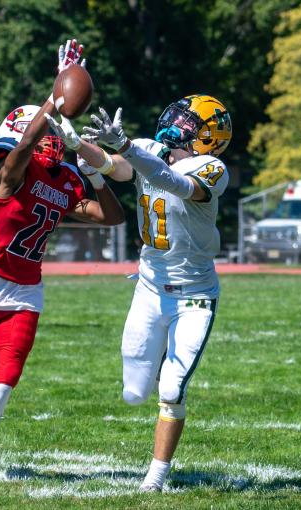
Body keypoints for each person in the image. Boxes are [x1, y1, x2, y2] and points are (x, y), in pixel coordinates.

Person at [0, 39, 125, 482]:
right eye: (48, 134)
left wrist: (95, 173)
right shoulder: (9, 171)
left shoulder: (64, 180)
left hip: (25, 292)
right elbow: (23, 147)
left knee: (0, 389)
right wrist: (55, 97)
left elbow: (111, 217)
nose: (53, 143)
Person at [78, 95, 233, 492]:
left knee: (171, 388)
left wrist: (124, 145)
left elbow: (172, 182)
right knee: (133, 394)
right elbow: (117, 168)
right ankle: (162, 356)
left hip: (194, 295)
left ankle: (156, 475)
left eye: (188, 120)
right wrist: (81, 148)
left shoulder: (212, 168)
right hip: (149, 287)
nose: (176, 122)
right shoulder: (150, 149)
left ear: (209, 137)